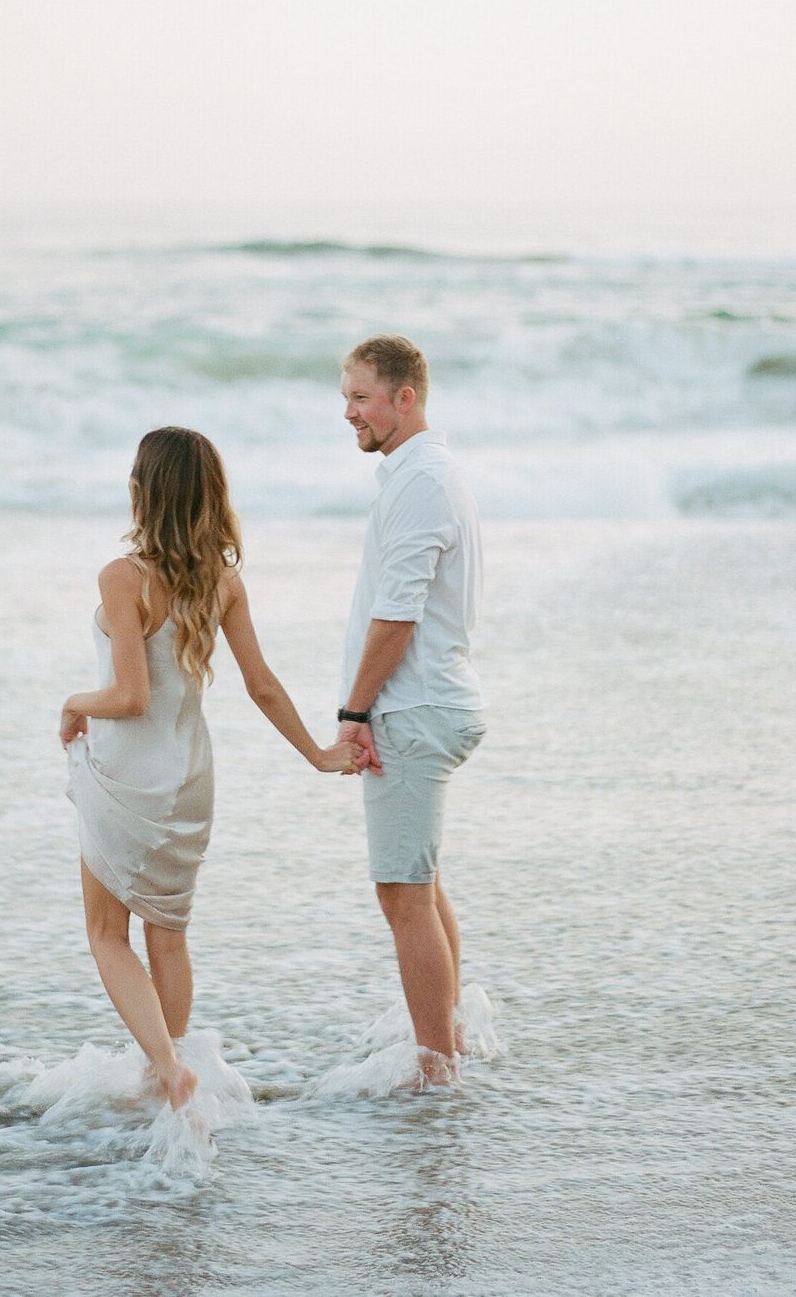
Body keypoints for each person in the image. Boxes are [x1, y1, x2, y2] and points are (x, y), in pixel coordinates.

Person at [61, 427, 359, 1110]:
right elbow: (263, 685)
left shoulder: (122, 577)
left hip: (125, 778)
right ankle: (165, 1079)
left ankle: (166, 1069)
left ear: (141, 491)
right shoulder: (223, 581)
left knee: (108, 934)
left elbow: (128, 697)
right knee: (169, 937)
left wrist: (72, 702)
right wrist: (318, 753)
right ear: (209, 498)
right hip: (191, 781)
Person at [337, 335, 486, 1084]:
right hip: (428, 702)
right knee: (418, 886)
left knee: (401, 892)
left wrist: (354, 713)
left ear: (407, 397)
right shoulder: (422, 473)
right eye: (346, 398)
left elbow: (396, 617)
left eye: (361, 397)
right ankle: (450, 1038)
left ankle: (438, 1070)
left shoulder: (421, 481)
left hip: (414, 707)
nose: (348, 412)